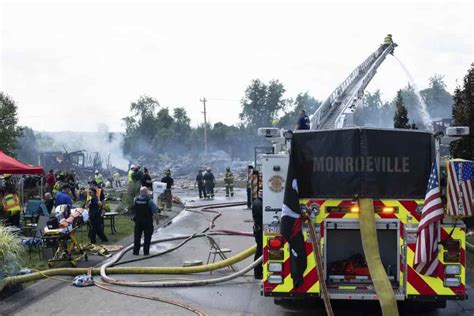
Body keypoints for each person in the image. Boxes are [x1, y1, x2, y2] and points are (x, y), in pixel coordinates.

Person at [132, 187, 160, 255]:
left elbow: (135, 209)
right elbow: (155, 212)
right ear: (146, 193)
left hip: (138, 222)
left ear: (140, 192)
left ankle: (135, 252)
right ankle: (146, 252)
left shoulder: (135, 199)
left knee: (137, 237)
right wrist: (157, 220)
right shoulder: (149, 201)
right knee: (147, 237)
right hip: (147, 222)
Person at [252, 190, 263, 279]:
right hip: (260, 231)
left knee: (260, 250)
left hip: (259, 230)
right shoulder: (258, 204)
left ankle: (258, 271)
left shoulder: (258, 202)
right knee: (260, 251)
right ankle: (258, 272)